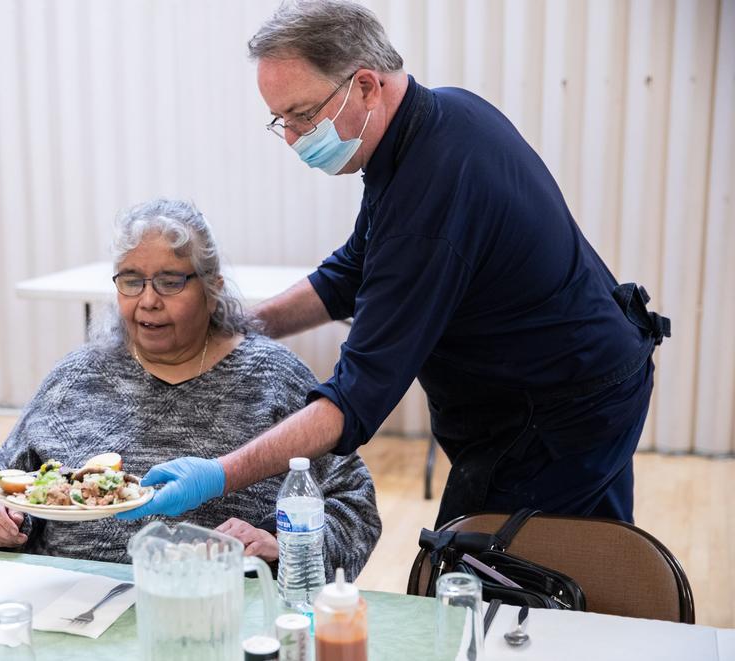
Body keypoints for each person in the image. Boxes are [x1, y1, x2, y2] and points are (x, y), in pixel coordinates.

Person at [119, 0, 670, 529]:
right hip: (591, 372)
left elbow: (355, 401)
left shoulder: (430, 199)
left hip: (556, 412)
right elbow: (350, 272)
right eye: (279, 120)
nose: (291, 138)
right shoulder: (435, 119)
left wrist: (216, 476)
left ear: (364, 84)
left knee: (487, 579)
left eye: (302, 115)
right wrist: (236, 325)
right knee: (590, 562)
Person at [0, 198, 380, 580]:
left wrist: (286, 548)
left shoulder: (274, 378)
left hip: (222, 615)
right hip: (75, 613)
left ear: (212, 287)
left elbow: (355, 506)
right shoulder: (74, 378)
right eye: (131, 281)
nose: (148, 301)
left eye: (169, 282)